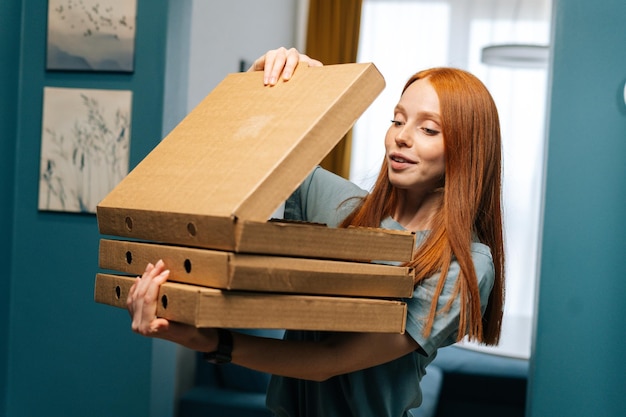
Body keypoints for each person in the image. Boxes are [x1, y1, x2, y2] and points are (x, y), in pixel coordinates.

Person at [127, 47, 505, 416]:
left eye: (428, 128)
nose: (402, 136)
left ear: (466, 149)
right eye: (397, 120)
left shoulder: (466, 263)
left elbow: (330, 360)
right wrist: (268, 85)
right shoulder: (336, 203)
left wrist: (210, 341)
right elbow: (241, 150)